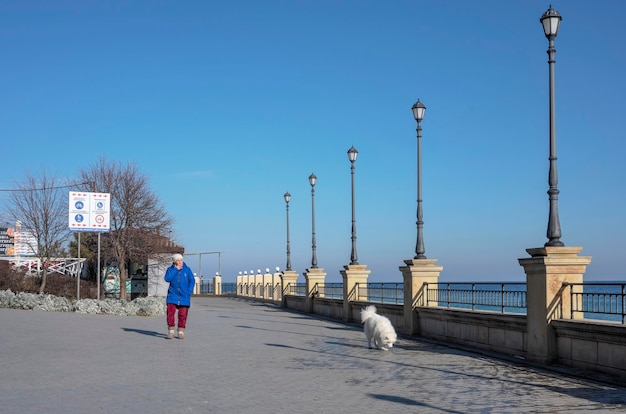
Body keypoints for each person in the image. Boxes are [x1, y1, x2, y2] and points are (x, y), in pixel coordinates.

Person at [164, 253, 195, 339]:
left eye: (181, 260)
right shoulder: (170, 269)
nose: (180, 262)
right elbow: (167, 279)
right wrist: (175, 269)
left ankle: (181, 331)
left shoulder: (187, 270)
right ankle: (171, 331)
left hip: (184, 295)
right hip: (172, 295)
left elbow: (192, 280)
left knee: (183, 314)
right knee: (170, 312)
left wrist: (189, 291)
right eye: (177, 260)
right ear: (174, 261)